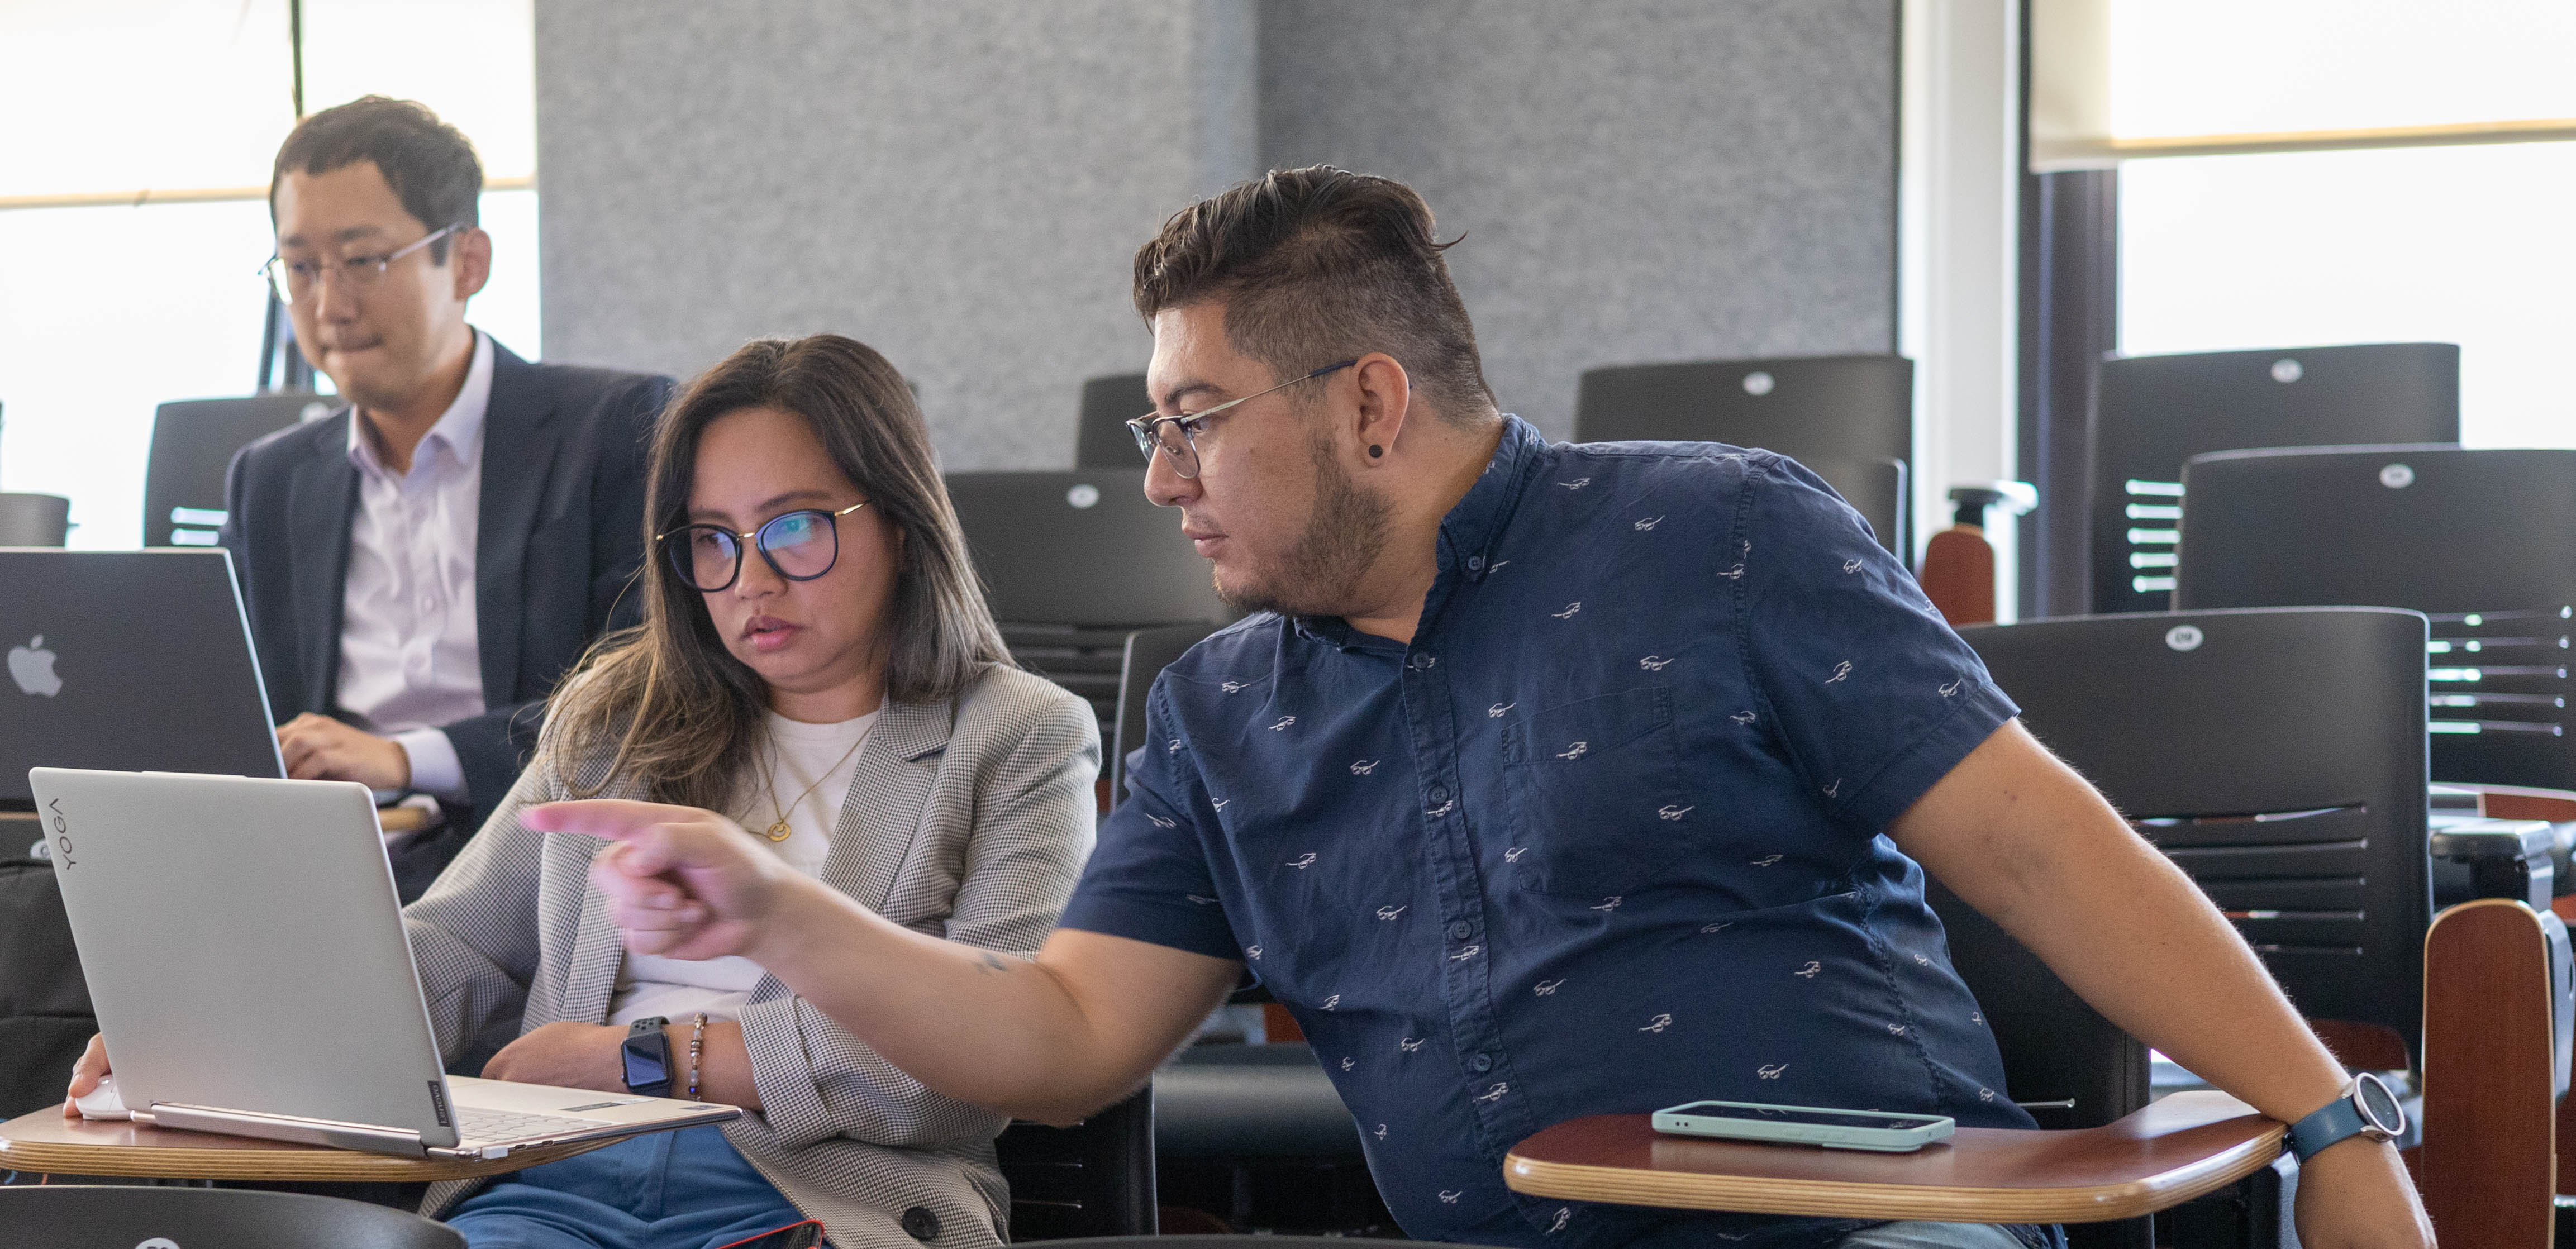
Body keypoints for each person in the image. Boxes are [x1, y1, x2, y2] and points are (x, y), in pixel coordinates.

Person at [550, 169, 2431, 1249]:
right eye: (1149, 427)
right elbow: (1059, 1034)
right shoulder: (1221, 710)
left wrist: (2336, 1129)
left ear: (1371, 406)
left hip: (1864, 1230)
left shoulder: (1718, 535)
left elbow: (2039, 845)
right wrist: (779, 911)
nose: (1156, 478)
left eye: (1193, 422)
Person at [75, 333, 1099, 1248]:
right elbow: (462, 942)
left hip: (822, 1202)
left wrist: (641, 1063)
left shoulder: (1018, 735)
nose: (749, 580)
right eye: (712, 539)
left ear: (906, 526)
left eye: (795, 529)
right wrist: (222, 1035)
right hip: (557, 1185)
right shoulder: (621, 713)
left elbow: (980, 1060)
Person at [220, 96, 672, 899]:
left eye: (363, 261)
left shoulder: (612, 431)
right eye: (300, 268)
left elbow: (648, 693)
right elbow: (244, 716)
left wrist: (405, 758)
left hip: (542, 866)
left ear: (467, 262)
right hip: (325, 872)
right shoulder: (272, 479)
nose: (329, 306)